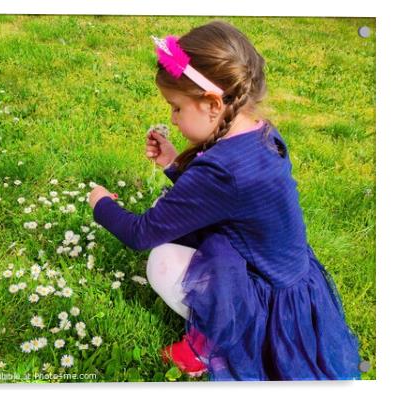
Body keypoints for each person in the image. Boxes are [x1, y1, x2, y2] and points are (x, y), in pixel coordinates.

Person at [88, 20, 362, 381]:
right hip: (292, 282)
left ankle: (217, 340)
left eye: (176, 108)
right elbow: (221, 199)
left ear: (213, 104)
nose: (172, 117)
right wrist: (173, 163)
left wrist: (101, 203)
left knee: (162, 261)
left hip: (268, 305)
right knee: (193, 234)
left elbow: (142, 233)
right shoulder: (261, 133)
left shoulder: (223, 171)